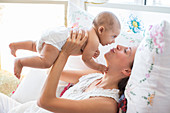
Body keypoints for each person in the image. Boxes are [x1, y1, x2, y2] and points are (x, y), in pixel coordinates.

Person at [0, 28, 137, 113]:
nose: (119, 46)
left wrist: (65, 53)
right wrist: (74, 47)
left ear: (126, 71)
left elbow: (45, 101)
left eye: (126, 51)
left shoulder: (107, 104)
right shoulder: (94, 76)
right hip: (27, 109)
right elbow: (50, 71)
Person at [9, 11, 121, 78]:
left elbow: (85, 49)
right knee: (46, 62)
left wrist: (92, 51)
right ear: (101, 30)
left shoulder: (89, 32)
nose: (113, 41)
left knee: (35, 45)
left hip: (57, 33)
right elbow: (86, 59)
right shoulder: (95, 41)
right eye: (113, 36)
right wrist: (98, 67)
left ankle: (15, 45)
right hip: (59, 41)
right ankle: (20, 62)